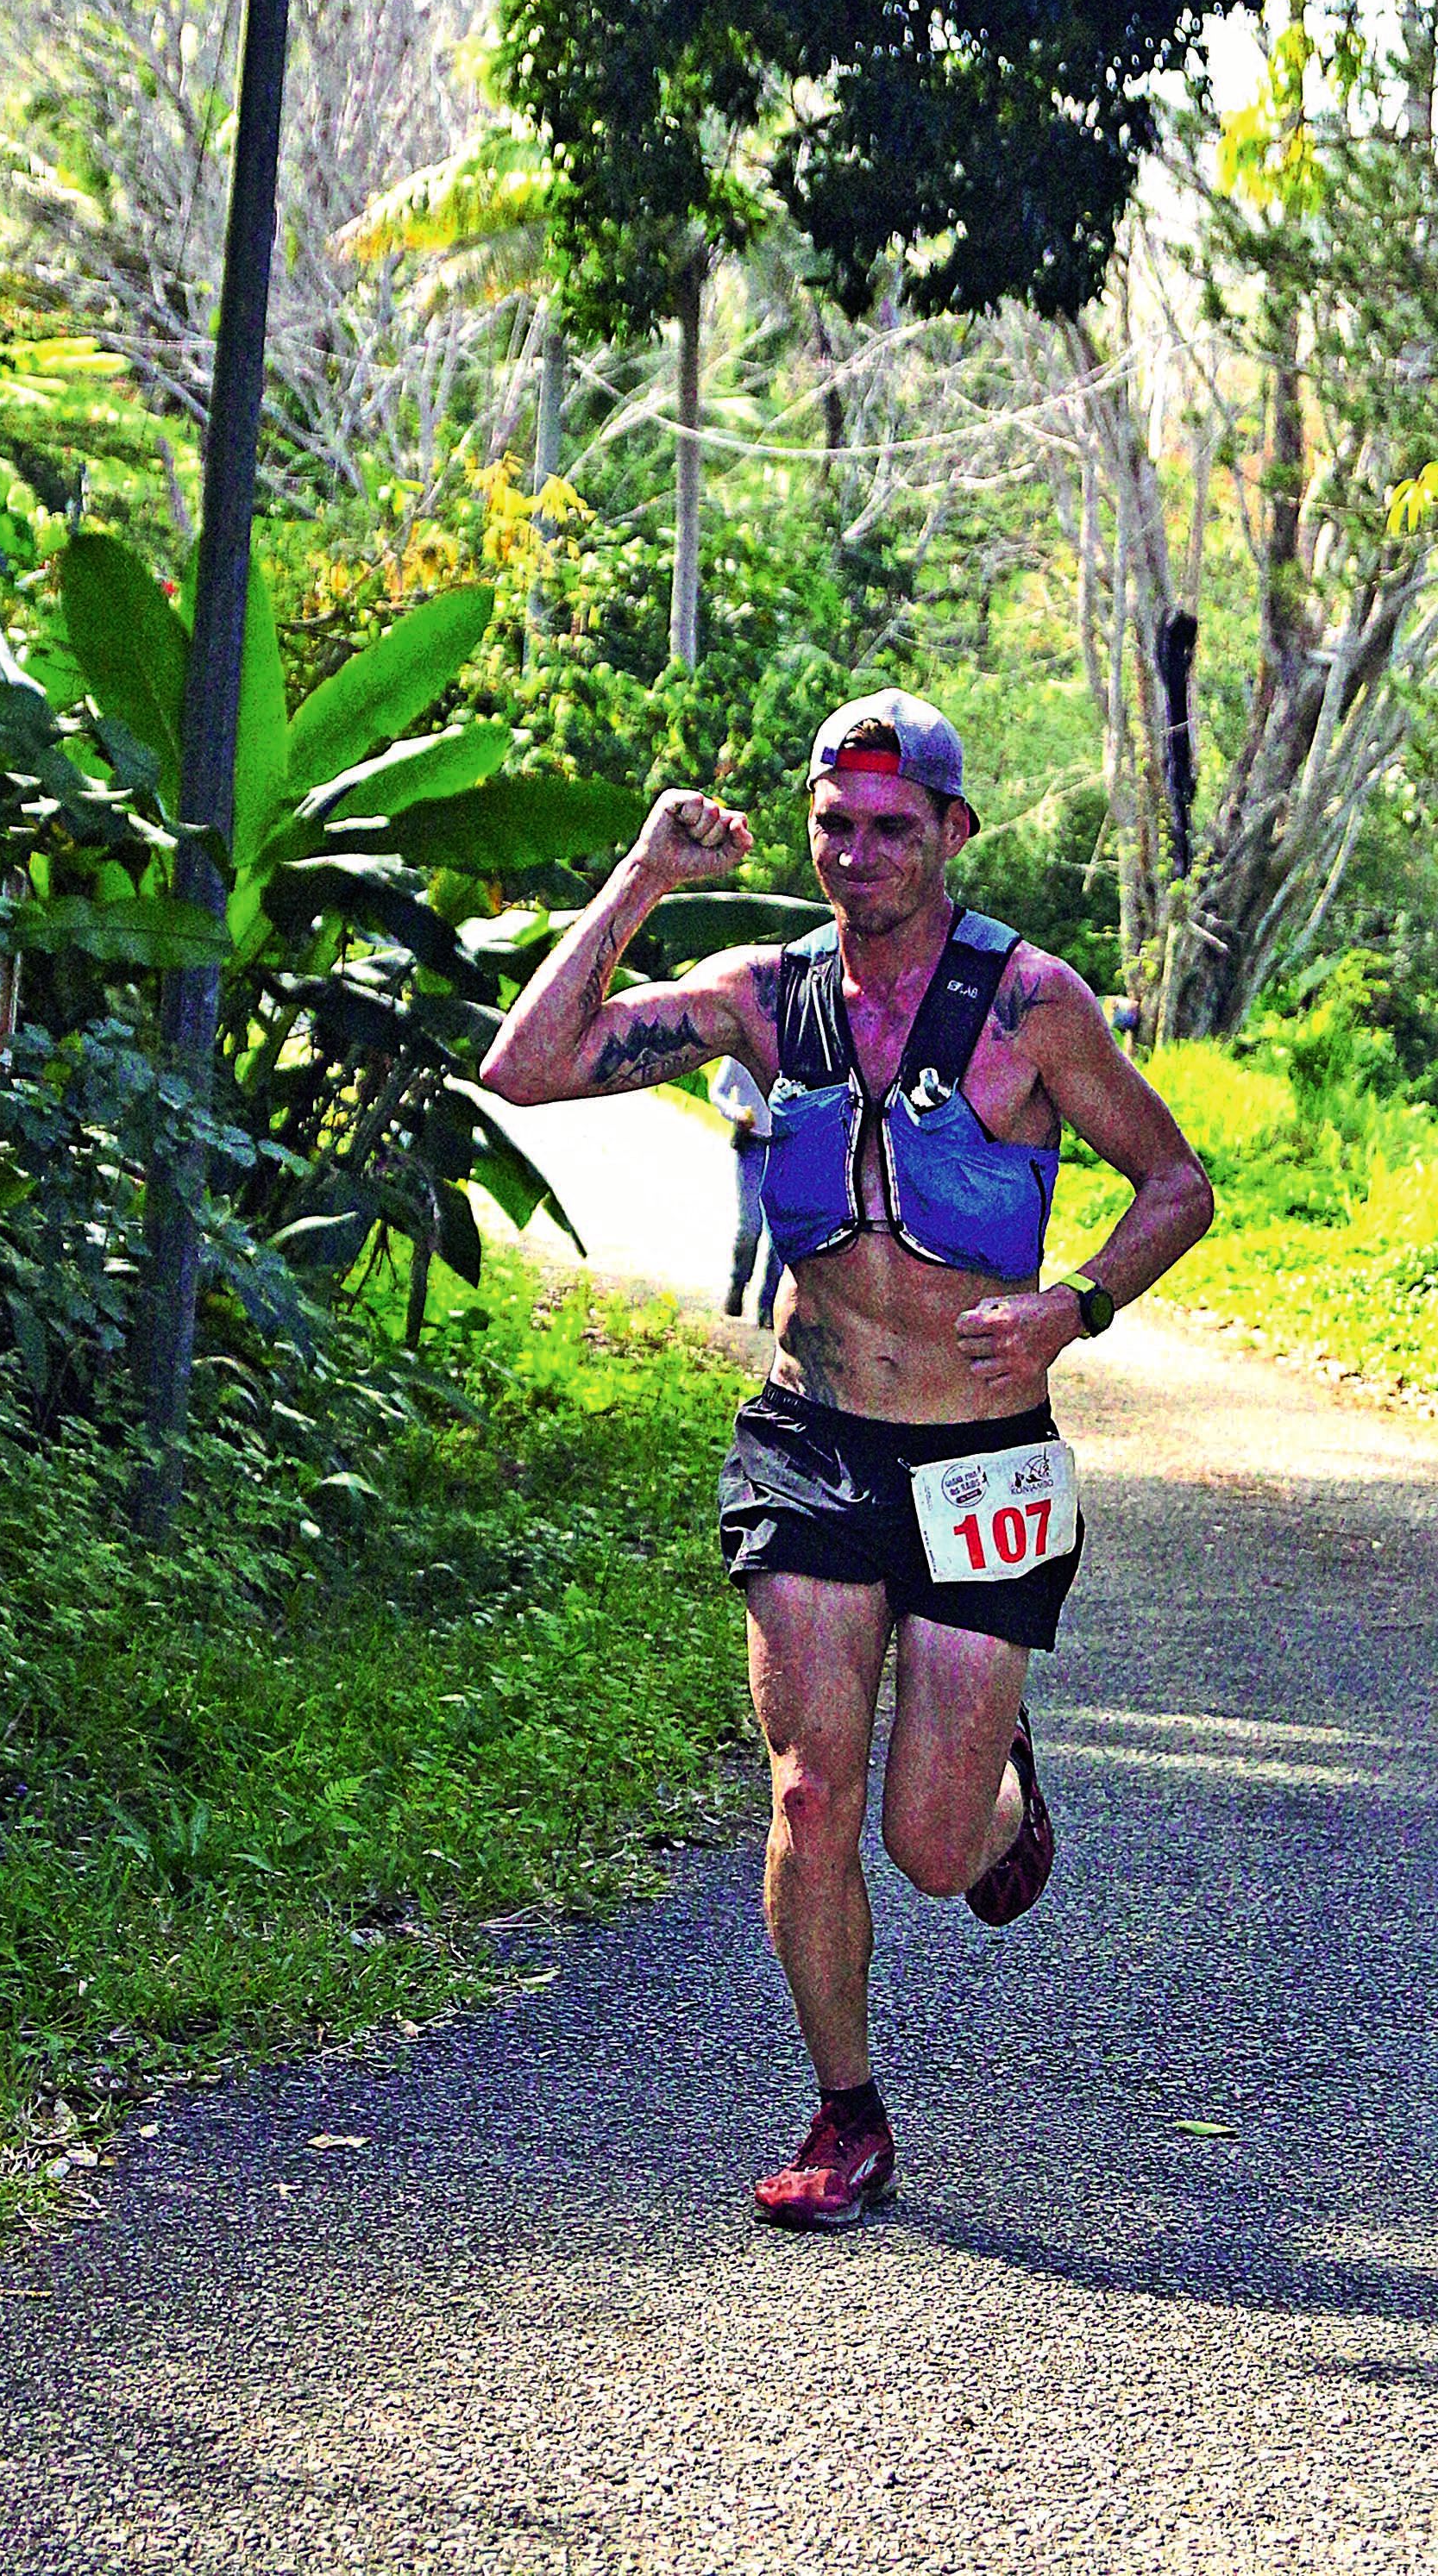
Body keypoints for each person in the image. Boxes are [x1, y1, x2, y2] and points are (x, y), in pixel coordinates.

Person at [480, 689, 1213, 2230]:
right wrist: (639, 879)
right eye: (832, 825)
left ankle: (995, 1790)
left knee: (929, 1848)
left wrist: (1073, 1303)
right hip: (807, 1443)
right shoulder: (760, 995)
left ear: (950, 831)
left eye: (891, 827)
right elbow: (527, 1064)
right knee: (810, 1799)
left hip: (977, 1458)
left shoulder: (1029, 1005)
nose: (858, 854)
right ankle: (846, 2108)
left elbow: (1172, 1182)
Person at [710, 1054, 782, 1323]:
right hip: (751, 1147)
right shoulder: (739, 1055)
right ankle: (738, 1284)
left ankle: (769, 1305)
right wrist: (735, 1112)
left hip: (783, 1148)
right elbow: (717, 1091)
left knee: (779, 1235)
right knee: (750, 1226)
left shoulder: (792, 1044)